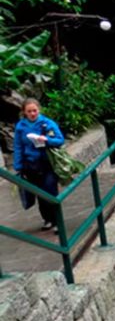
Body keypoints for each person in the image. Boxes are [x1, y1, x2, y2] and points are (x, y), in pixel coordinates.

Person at [13, 98, 65, 232]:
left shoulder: (47, 124)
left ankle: (57, 221)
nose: (32, 114)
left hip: (46, 163)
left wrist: (47, 140)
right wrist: (18, 166)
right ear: (24, 112)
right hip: (30, 165)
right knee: (39, 194)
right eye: (29, 111)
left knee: (50, 191)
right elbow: (18, 146)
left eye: (34, 111)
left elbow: (60, 140)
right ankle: (47, 219)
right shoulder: (21, 127)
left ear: (39, 110)